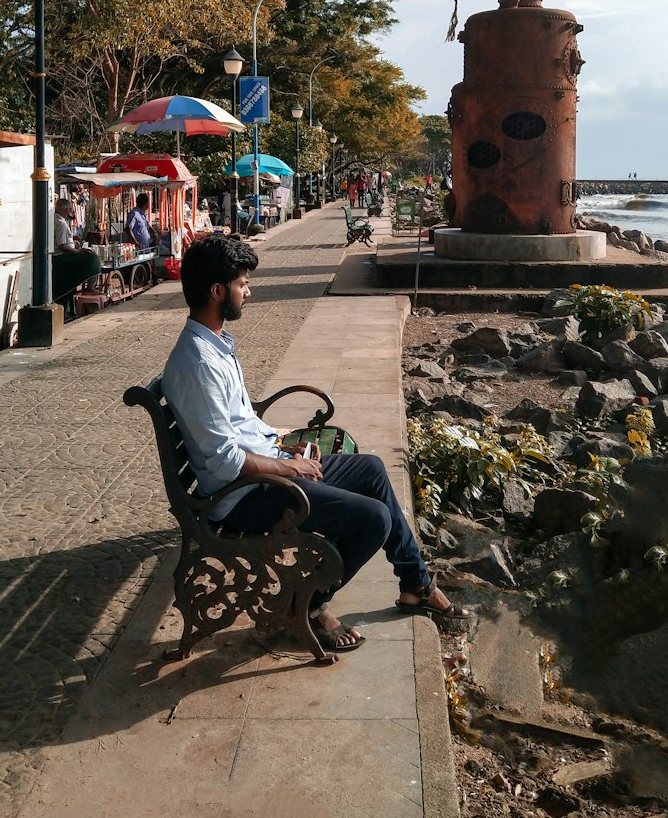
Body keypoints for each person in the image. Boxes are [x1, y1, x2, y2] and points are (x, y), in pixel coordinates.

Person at [162, 235, 467, 653]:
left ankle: (415, 582)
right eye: (242, 284)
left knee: (372, 469)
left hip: (260, 474)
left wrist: (282, 445)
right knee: (373, 520)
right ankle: (306, 604)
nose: (248, 292)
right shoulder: (198, 363)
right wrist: (292, 469)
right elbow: (227, 461)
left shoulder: (213, 345)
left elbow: (240, 425)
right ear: (217, 291)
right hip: (241, 498)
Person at [51, 198, 100, 303]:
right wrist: (79, 252)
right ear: (67, 211)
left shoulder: (54, 220)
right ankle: (90, 287)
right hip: (61, 257)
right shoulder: (60, 223)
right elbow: (62, 246)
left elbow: (59, 238)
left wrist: (73, 239)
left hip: (58, 255)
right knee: (92, 257)